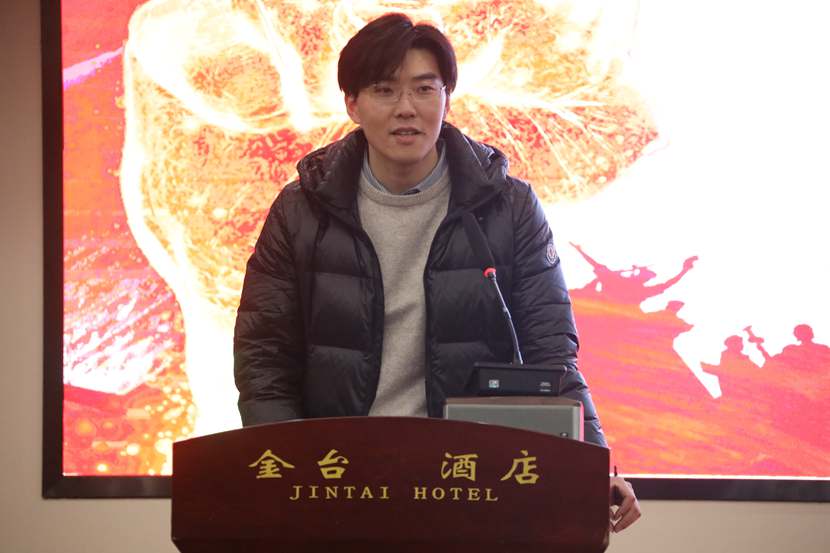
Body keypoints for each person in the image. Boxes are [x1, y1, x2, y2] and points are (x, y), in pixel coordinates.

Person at [233, 13, 640, 532]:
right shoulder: (302, 211)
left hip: (467, 480)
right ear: (352, 104)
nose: (406, 108)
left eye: (425, 89)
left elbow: (551, 352)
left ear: (447, 97)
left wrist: (593, 464)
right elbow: (264, 359)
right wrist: (291, 474)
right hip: (340, 478)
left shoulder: (508, 208)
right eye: (384, 90)